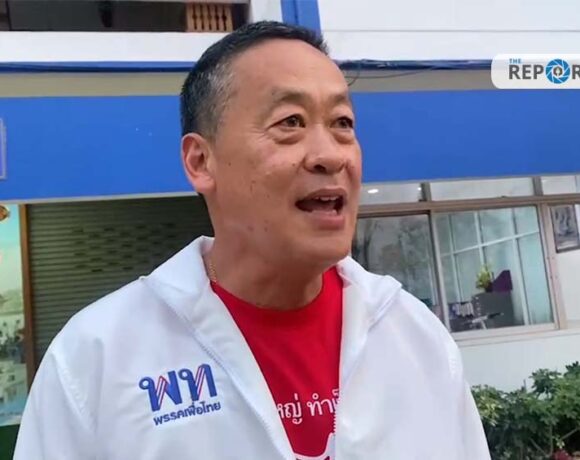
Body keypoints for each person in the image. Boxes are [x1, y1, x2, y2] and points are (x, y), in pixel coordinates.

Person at [14, 21, 491, 459]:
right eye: (290, 122)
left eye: (342, 123)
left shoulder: (416, 338)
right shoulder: (95, 360)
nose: (330, 155)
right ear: (201, 162)